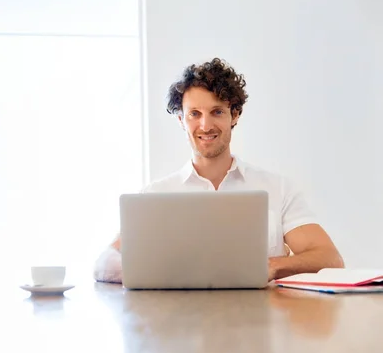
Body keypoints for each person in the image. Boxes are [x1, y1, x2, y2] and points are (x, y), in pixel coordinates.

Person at [94, 57, 344, 284]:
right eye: (194, 114)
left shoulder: (278, 189)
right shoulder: (154, 195)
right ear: (181, 119)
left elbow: (329, 259)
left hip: (263, 324)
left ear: (234, 115)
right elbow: (105, 262)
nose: (205, 125)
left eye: (217, 112)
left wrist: (270, 266)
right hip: (179, 325)